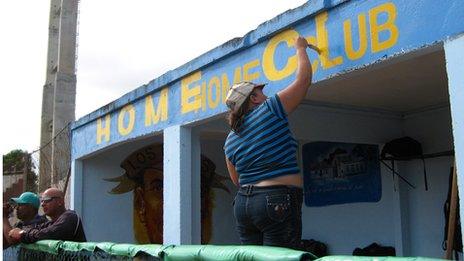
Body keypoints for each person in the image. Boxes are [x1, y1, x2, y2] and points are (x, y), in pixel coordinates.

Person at [224, 36, 319, 249]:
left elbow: (236, 180)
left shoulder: (230, 139)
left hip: (243, 205)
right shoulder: (269, 110)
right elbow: (303, 81)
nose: (266, 95)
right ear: (253, 99)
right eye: (261, 92)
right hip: (276, 199)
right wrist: (301, 48)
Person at [7, 188, 86, 244]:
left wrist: (22, 234)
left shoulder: (71, 217)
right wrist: (24, 232)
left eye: (47, 200)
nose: (43, 204)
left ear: (60, 202)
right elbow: (34, 229)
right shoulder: (51, 222)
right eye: (42, 201)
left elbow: (46, 234)